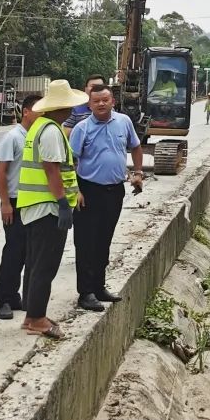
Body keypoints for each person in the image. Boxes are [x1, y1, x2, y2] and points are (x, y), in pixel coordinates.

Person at [16, 78, 87, 339]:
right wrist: (62, 203)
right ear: (63, 108)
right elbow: (52, 169)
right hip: (47, 207)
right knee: (45, 264)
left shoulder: (39, 127)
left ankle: (33, 314)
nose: (72, 110)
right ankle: (36, 318)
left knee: (36, 263)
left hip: (35, 206)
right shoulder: (52, 132)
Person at [69, 84, 143, 311]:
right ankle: (86, 292)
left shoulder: (124, 122)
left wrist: (138, 173)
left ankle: (99, 287)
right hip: (88, 191)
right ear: (89, 104)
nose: (101, 104)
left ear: (113, 101)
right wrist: (75, 191)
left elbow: (136, 147)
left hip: (114, 191)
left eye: (105, 100)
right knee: (85, 242)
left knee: (104, 239)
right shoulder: (82, 128)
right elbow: (70, 161)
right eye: (96, 101)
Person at [0, 93, 39, 320]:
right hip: (14, 201)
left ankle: (14, 295)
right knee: (13, 251)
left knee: (27, 252)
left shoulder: (38, 136)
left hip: (32, 202)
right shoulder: (13, 137)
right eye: (38, 110)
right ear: (26, 112)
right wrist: (4, 203)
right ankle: (3, 300)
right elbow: (0, 171)